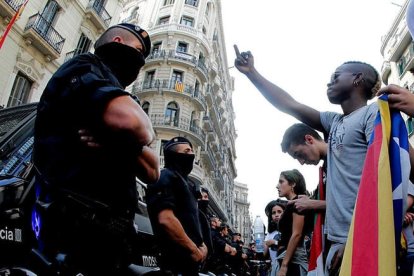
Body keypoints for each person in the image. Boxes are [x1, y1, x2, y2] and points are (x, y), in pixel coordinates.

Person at [234, 45, 382, 274]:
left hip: (361, 240)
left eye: (336, 76)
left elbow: (382, 182)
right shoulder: (334, 123)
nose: (329, 82)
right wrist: (252, 73)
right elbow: (290, 105)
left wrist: (356, 241)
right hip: (337, 242)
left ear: (357, 79)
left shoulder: (373, 114)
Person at [33, 23, 159, 274]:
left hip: (113, 235)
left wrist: (116, 142)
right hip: (74, 230)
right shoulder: (84, 67)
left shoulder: (123, 95)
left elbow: (153, 169)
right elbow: (137, 126)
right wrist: (132, 140)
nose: (140, 63)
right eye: (138, 52)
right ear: (119, 43)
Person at [146, 137, 208, 275]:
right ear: (175, 156)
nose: (192, 155)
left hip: (191, 265)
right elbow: (166, 219)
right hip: (174, 266)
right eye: (187, 151)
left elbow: (192, 221)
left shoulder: (189, 185)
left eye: (192, 151)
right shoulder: (165, 177)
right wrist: (193, 250)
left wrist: (202, 246)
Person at [276, 169, 309, 276]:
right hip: (288, 260)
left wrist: (284, 265)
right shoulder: (291, 205)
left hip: (293, 263)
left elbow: (296, 234)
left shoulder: (298, 204)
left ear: (292, 184)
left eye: (281, 182)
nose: (277, 186)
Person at [264, 199, 286, 276]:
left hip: (287, 268)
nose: (276, 215)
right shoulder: (269, 234)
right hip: (275, 268)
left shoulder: (289, 229)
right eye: (273, 213)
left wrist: (275, 242)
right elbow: (264, 253)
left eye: (279, 212)